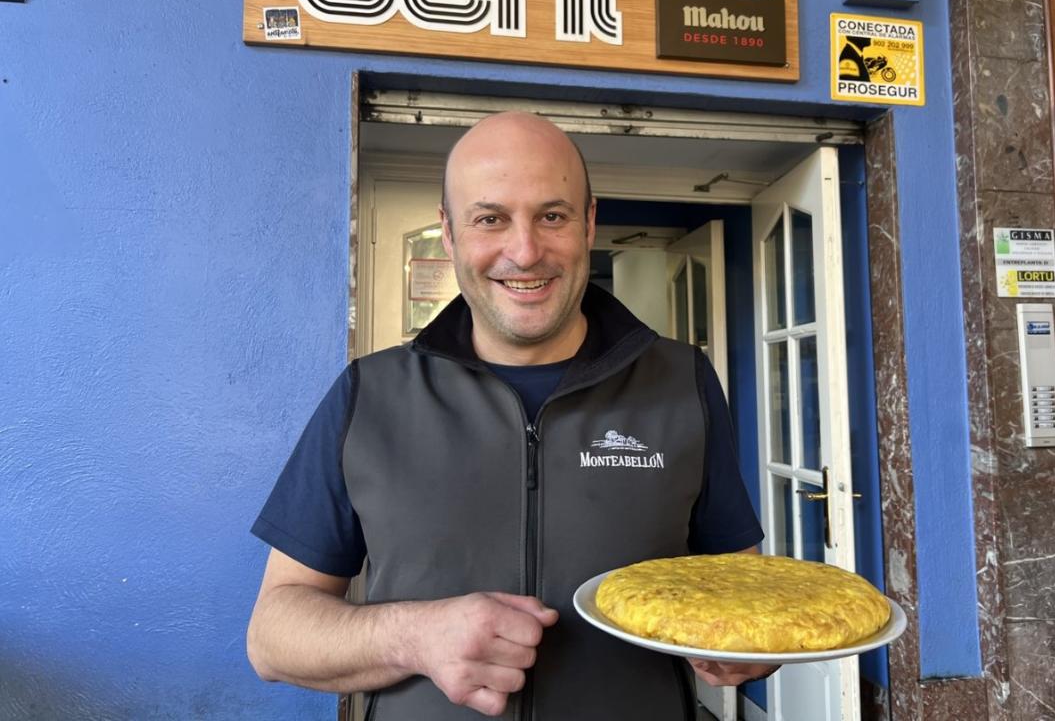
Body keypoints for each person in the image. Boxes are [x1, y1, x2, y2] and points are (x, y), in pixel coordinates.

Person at [246, 111, 776, 720]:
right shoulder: (369, 394)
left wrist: (750, 648)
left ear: (589, 222)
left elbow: (746, 590)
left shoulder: (682, 381)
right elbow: (273, 636)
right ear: (448, 232)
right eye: (489, 218)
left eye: (552, 215)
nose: (524, 252)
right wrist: (412, 636)